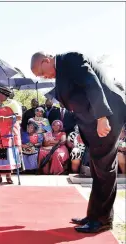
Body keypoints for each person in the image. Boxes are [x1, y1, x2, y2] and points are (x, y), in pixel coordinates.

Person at [31, 51, 126, 233]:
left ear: (46, 60)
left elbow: (92, 84)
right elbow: (76, 103)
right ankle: (95, 215)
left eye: (42, 73)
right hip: (95, 121)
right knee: (99, 167)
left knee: (104, 168)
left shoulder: (71, 59)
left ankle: (102, 220)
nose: (44, 77)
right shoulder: (62, 71)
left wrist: (101, 117)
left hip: (108, 114)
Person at [0, 85, 22, 184]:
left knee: (8, 155)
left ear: (3, 95)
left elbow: (18, 117)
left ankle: (8, 176)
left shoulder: (13, 103)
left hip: (8, 133)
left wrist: (5, 118)